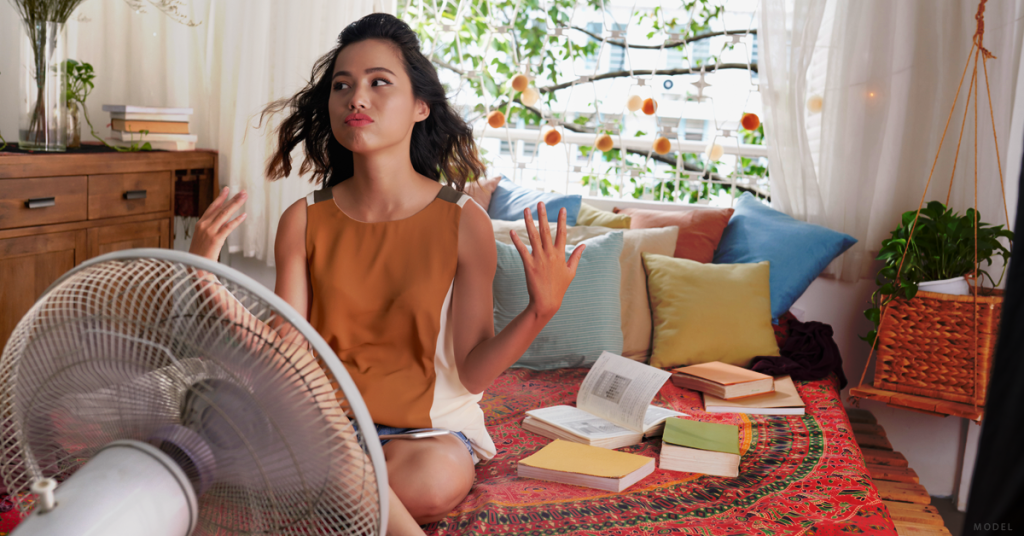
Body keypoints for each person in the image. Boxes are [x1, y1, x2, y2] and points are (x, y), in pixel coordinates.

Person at [187, 12, 584, 536]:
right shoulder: (303, 219)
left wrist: (540, 311)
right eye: (342, 86)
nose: (356, 98)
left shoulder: (465, 221)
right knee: (213, 411)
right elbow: (286, 350)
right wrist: (205, 276)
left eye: (379, 83)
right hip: (324, 427)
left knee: (429, 483)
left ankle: (332, 495)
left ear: (421, 105)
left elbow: (471, 372)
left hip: (427, 436)